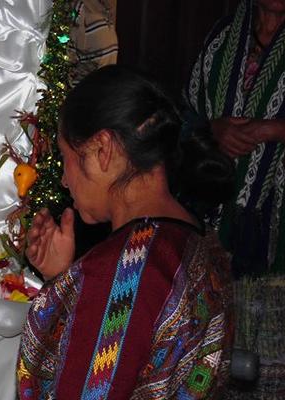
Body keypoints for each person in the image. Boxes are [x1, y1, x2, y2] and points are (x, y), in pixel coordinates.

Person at [17, 65, 234, 399]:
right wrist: (64, 279)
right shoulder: (195, 238)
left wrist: (85, 283)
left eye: (65, 158)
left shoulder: (122, 276)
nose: (63, 180)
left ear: (103, 150)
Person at [185, 0, 285, 396]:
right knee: (213, 361)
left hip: (275, 241)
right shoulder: (223, 37)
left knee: (269, 368)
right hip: (213, 226)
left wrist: (271, 129)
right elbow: (187, 112)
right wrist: (215, 128)